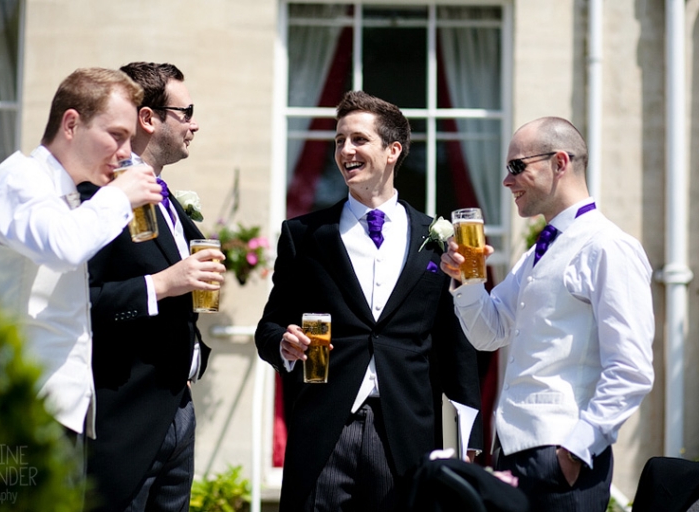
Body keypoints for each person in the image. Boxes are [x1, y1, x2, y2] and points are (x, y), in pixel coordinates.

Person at [255, 90, 482, 512]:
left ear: (393, 150)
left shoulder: (437, 239)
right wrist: (283, 344)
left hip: (406, 432)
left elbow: (456, 344)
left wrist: (472, 439)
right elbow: (269, 327)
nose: (345, 150)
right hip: (324, 428)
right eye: (340, 140)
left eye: (359, 140)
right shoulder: (303, 236)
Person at [439, 116, 655, 511]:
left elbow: (631, 369)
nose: (507, 181)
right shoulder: (537, 254)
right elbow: (488, 333)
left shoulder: (608, 247)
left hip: (561, 459)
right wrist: (468, 281)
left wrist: (575, 451)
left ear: (560, 163)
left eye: (516, 166)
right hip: (512, 454)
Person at [0, 67, 162, 458]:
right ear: (71, 123)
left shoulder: (67, 194)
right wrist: (121, 197)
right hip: (20, 410)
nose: (127, 152)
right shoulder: (20, 180)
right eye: (117, 136)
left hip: (55, 414)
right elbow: (63, 246)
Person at [77, 62, 225, 512]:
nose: (194, 123)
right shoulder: (97, 196)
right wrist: (163, 283)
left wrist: (194, 353)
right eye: (186, 111)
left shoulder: (169, 201)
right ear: (148, 118)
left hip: (177, 410)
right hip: (125, 419)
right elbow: (82, 300)